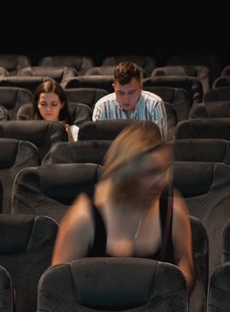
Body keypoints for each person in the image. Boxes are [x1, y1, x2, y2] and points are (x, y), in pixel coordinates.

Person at [51, 120, 193, 286]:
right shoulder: (84, 217)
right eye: (150, 172)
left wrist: (177, 281)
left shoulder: (172, 210)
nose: (163, 181)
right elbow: (56, 286)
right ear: (126, 175)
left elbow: (184, 261)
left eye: (163, 170)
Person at [90, 61, 167, 131]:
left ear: (141, 87)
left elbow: (159, 141)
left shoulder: (154, 105)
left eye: (131, 92)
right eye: (120, 93)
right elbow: (97, 141)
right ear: (114, 87)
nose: (126, 100)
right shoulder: (102, 107)